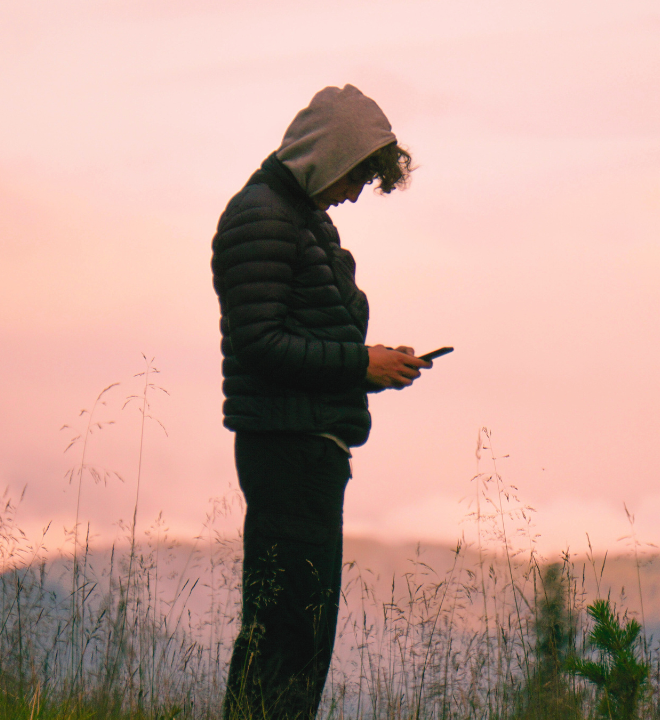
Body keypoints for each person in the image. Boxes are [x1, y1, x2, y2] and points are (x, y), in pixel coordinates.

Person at [210, 85, 431, 720]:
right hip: (285, 449)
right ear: (327, 154)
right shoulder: (262, 217)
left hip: (309, 448)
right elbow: (260, 346)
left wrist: (372, 362)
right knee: (284, 632)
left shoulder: (301, 218)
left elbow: (297, 337)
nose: (357, 192)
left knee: (302, 634)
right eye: (356, 175)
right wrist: (361, 363)